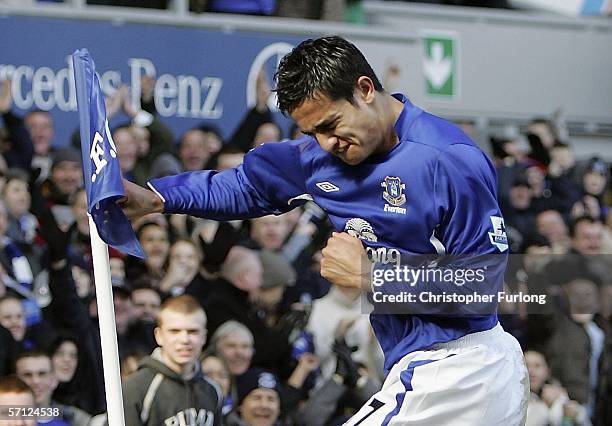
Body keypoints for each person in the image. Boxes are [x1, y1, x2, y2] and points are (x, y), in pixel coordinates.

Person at [120, 35, 528, 424]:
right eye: (312, 132)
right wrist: (157, 198)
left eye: (332, 124)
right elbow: (245, 186)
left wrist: (369, 276)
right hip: (422, 367)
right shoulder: (320, 155)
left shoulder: (448, 160)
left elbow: (483, 287)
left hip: (462, 368)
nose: (327, 143)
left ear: (365, 89)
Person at [121, 295, 223, 426]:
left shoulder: (213, 390)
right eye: (175, 331)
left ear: (204, 337)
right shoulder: (136, 388)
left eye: (193, 331)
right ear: (159, 336)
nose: (185, 339)